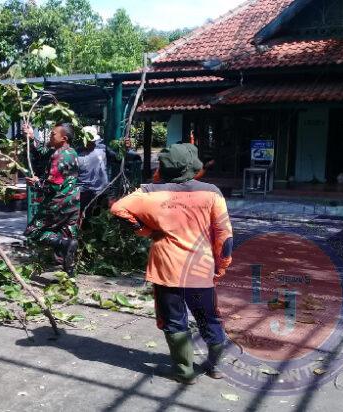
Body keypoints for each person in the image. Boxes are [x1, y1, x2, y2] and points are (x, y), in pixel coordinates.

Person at [110, 143, 233, 384]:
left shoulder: (149, 192)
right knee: (208, 317)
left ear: (164, 166)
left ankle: (184, 372)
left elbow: (117, 208)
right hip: (200, 268)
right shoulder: (212, 193)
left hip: (166, 269)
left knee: (174, 320)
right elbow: (224, 236)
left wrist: (144, 231)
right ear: (194, 166)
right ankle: (215, 366)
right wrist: (222, 265)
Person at [22, 122, 80, 275]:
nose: (50, 136)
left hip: (58, 202)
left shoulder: (58, 156)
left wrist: (36, 183)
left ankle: (63, 243)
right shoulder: (71, 152)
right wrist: (32, 137)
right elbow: (43, 151)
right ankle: (69, 276)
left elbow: (52, 186)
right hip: (73, 202)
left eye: (53, 134)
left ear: (64, 138)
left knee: (33, 231)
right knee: (68, 235)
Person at [76, 126, 109, 214]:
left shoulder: (103, 149)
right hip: (83, 192)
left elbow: (118, 157)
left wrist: (125, 148)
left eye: (92, 141)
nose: (91, 143)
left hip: (101, 191)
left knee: (100, 217)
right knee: (84, 217)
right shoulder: (76, 153)